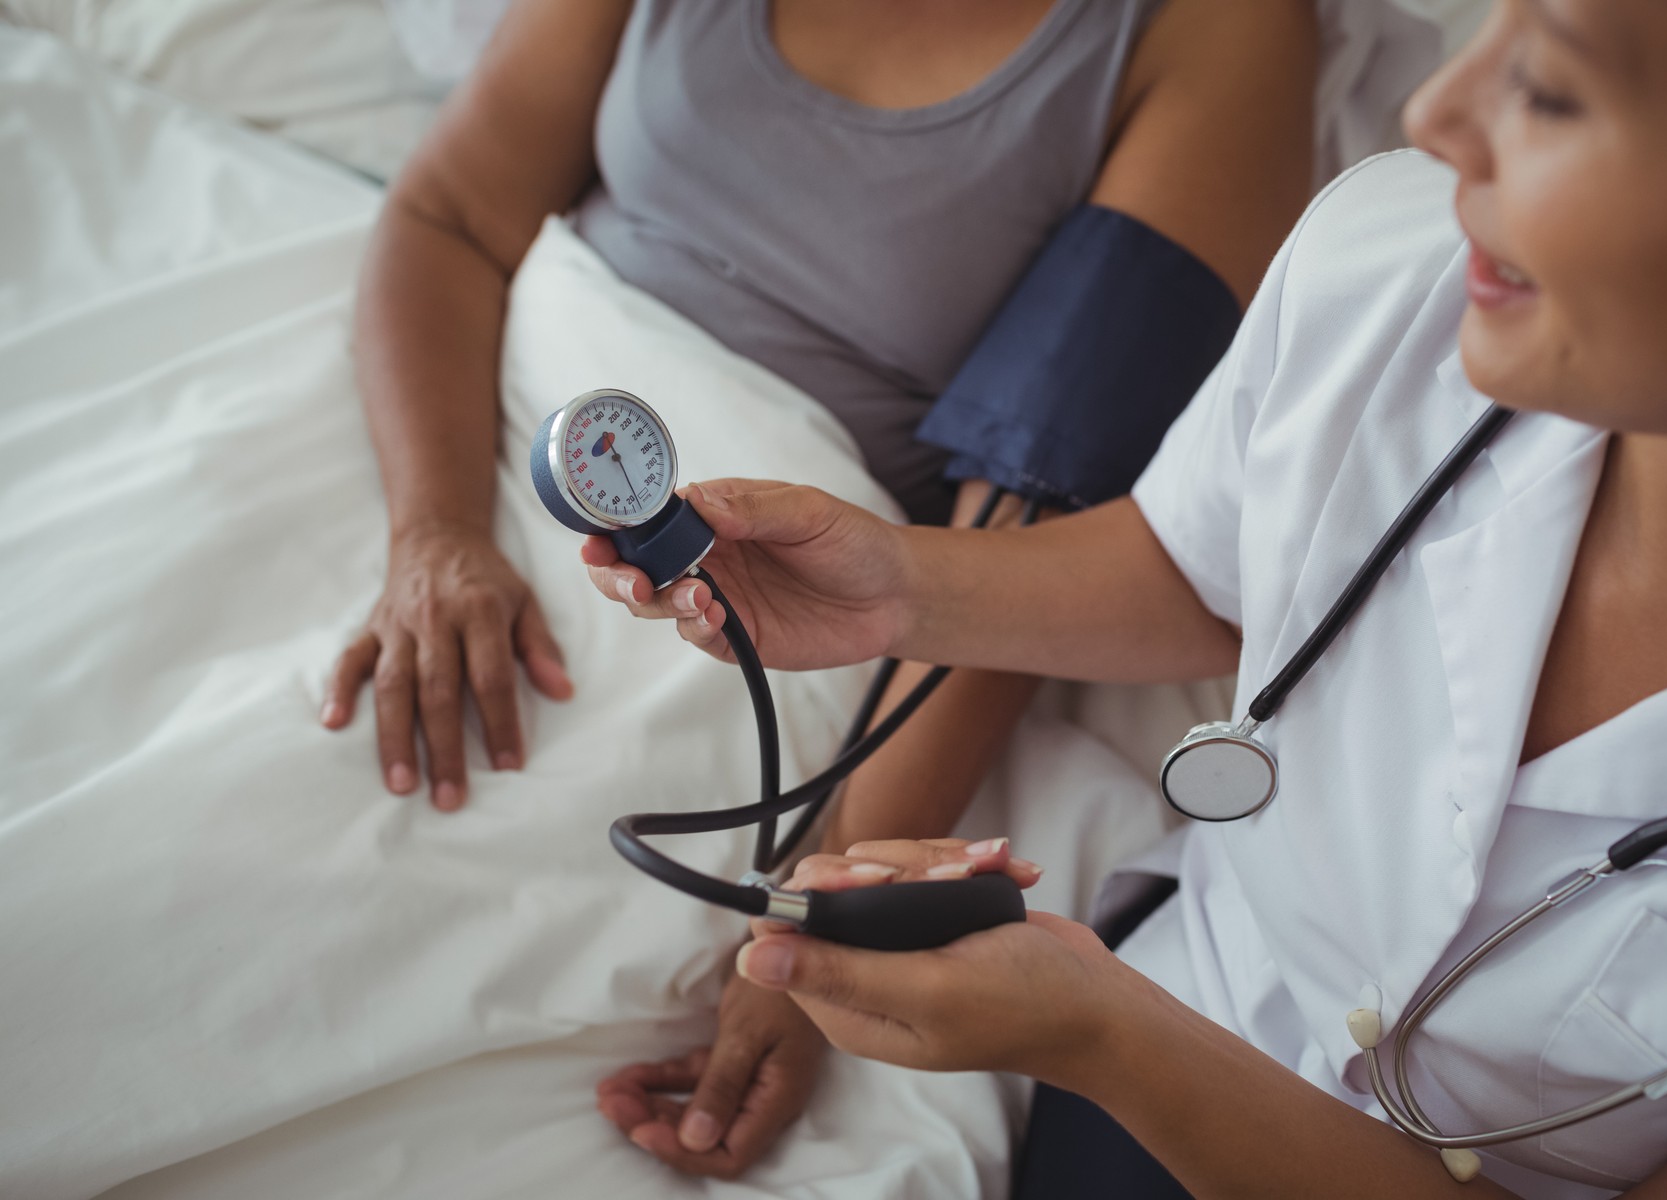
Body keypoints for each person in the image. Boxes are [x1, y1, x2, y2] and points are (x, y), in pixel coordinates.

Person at [583, 0, 1667, 1194]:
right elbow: (1200, 568)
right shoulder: (1394, 263)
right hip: (1181, 1016)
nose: (1434, 114)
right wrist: (901, 590)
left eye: (1550, 87)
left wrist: (1103, 1036)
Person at [324, 0, 1344, 1176]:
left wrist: (822, 889)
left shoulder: (1211, 27)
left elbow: (1040, 495)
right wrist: (437, 533)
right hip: (456, 436)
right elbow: (449, 213)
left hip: (765, 582)